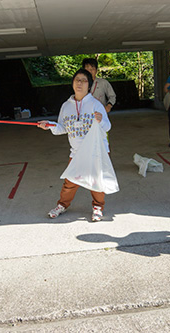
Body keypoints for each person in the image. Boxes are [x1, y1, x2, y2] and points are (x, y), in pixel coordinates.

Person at [38, 68, 111, 222]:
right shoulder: (66, 106)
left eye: (84, 81)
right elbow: (62, 128)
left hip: (95, 152)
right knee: (70, 182)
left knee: (96, 181)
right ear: (72, 83)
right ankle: (62, 205)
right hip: (77, 152)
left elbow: (107, 127)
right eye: (77, 79)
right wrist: (50, 125)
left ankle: (98, 207)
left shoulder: (95, 105)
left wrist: (100, 121)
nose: (80, 83)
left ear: (89, 86)